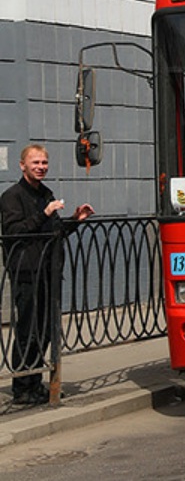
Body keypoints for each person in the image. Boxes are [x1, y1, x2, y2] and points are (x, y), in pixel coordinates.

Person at [0, 144, 94, 405]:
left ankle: (37, 383)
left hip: (48, 272)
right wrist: (44, 214)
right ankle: (22, 387)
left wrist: (76, 219)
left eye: (44, 163)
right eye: (35, 163)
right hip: (26, 272)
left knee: (44, 332)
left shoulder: (45, 193)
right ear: (22, 166)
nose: (41, 167)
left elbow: (55, 232)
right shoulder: (12, 196)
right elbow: (14, 233)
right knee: (27, 330)